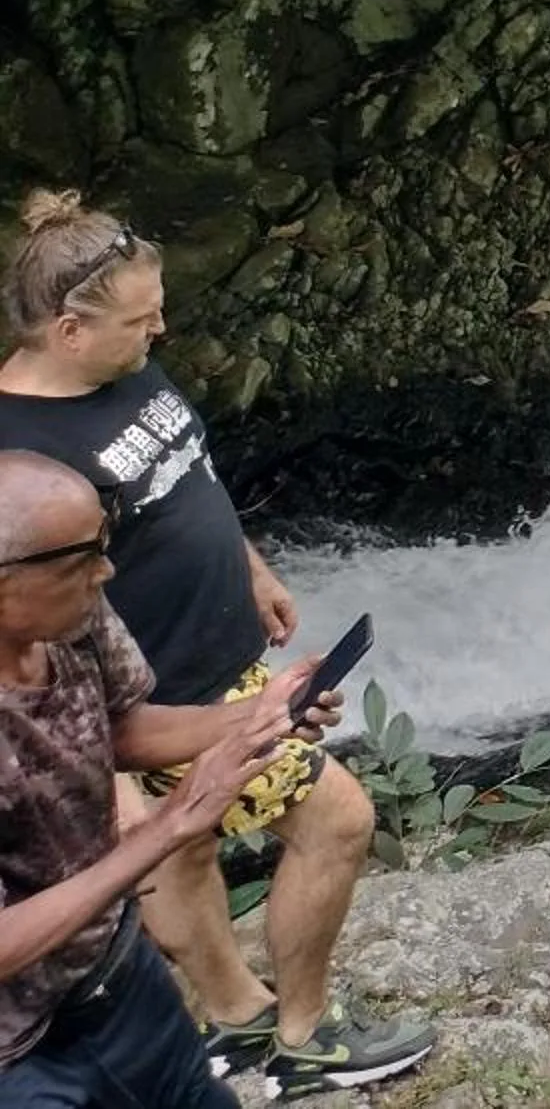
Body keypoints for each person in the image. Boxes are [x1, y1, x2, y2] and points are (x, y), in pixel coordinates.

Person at [0, 195, 433, 1096]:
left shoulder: (125, 374)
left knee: (189, 854)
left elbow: (180, 475)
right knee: (337, 818)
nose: (160, 326)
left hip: (221, 665)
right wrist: (100, 775)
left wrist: (254, 569)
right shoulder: (20, 464)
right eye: (140, 317)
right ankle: (304, 1032)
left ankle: (236, 1021)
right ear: (71, 327)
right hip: (154, 698)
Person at [0, 447, 341, 1108]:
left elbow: (120, 728)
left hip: (119, 982)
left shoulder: (70, 616)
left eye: (103, 543)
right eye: (82, 560)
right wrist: (171, 825)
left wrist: (257, 717)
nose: (107, 570)